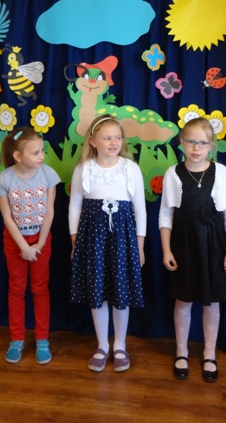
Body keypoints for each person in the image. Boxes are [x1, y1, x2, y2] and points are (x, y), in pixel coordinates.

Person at [158, 117, 226, 382]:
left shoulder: (221, 172)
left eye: (202, 143)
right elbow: (166, 215)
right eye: (191, 141)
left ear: (211, 145)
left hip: (214, 245)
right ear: (181, 142)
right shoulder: (173, 173)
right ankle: (181, 352)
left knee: (211, 301)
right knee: (183, 300)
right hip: (184, 243)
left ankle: (209, 353)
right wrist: (167, 250)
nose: (196, 148)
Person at [69, 115, 145, 373]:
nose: (114, 142)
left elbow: (140, 209)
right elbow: (74, 207)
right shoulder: (84, 169)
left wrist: (140, 246)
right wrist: (75, 242)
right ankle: (102, 344)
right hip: (92, 240)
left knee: (121, 293)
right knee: (98, 293)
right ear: (93, 141)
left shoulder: (130, 169)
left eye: (117, 138)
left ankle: (120, 345)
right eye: (107, 138)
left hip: (123, 239)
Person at [0, 126, 60, 365]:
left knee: (40, 289)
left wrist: (39, 243)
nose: (42, 156)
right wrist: (24, 246)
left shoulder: (48, 175)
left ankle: (42, 339)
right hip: (16, 243)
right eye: (35, 152)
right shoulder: (5, 179)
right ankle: (17, 339)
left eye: (42, 151)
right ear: (18, 156)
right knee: (16, 289)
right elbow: (7, 218)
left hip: (41, 241)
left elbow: (50, 211)